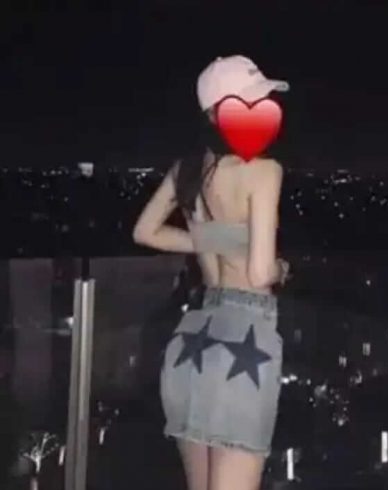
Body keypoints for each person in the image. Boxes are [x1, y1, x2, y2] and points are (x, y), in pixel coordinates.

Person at [132, 55, 290, 490]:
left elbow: (144, 232)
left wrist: (211, 240)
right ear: (219, 113)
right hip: (246, 344)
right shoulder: (263, 171)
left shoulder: (186, 171)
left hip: (194, 342)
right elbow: (260, 272)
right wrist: (280, 267)